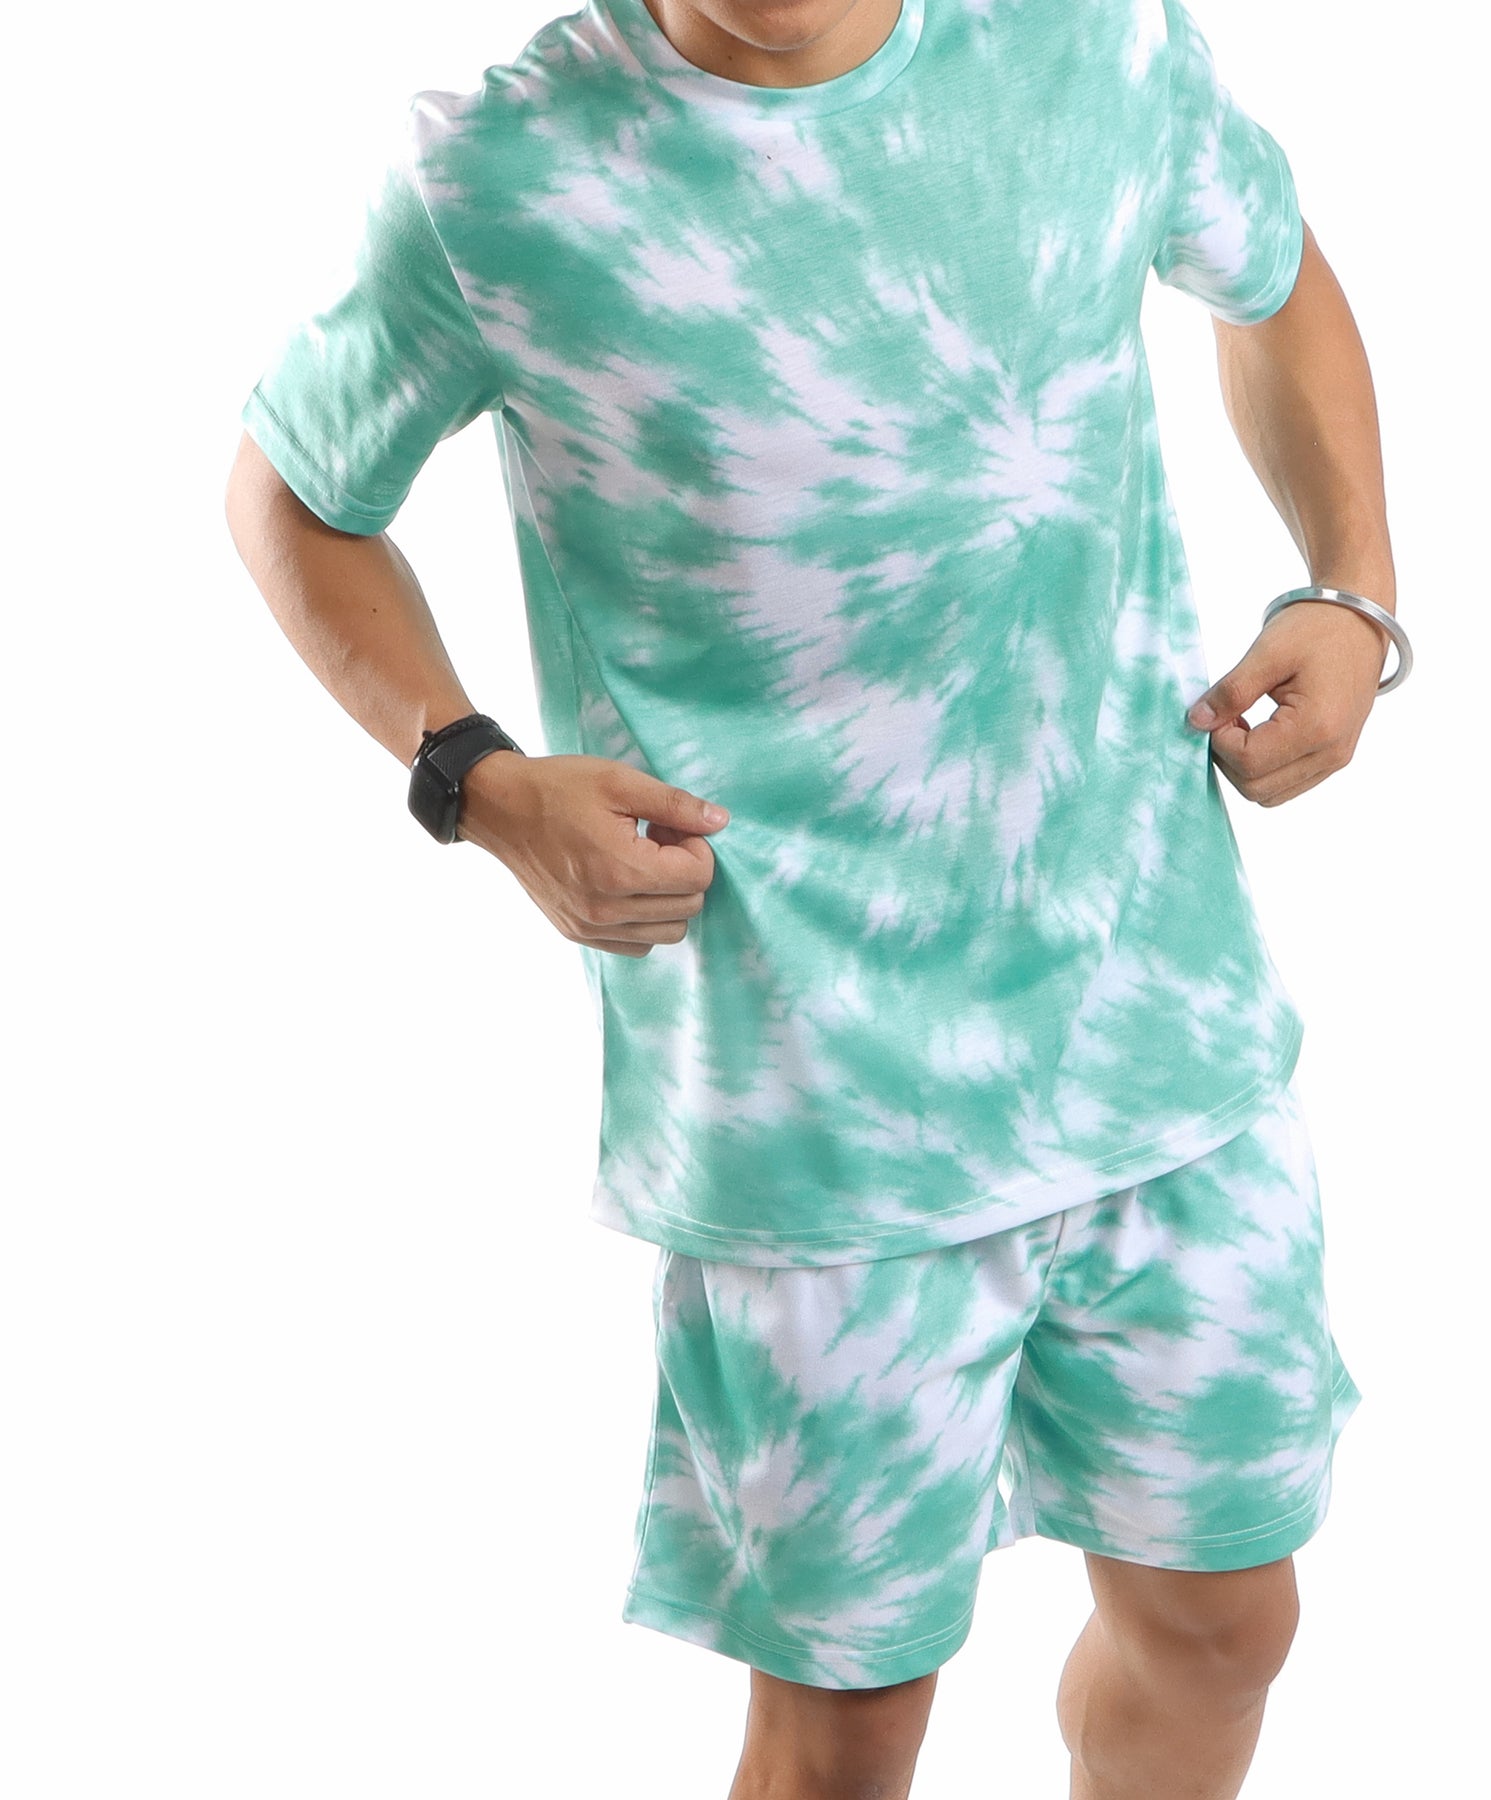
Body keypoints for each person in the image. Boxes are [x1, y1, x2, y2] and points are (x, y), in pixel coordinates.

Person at [224, 2, 1401, 1794]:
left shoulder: (1092, 43)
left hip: (1157, 1023)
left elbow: (1276, 273)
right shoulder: (505, 177)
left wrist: (1351, 588)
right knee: (846, 1730)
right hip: (811, 1105)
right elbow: (292, 493)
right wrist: (478, 777)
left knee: (1227, 1618)